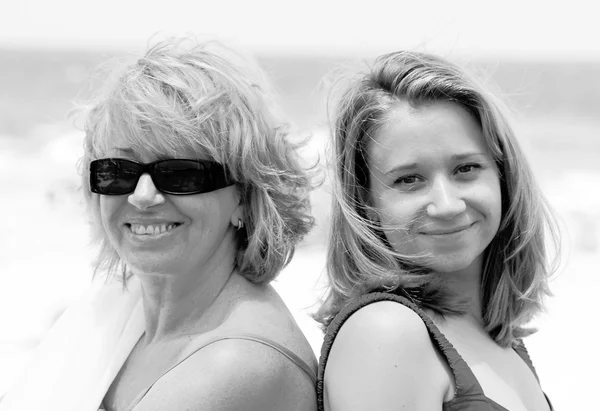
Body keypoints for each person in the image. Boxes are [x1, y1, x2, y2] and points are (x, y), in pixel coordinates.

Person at [1, 38, 318, 411]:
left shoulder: (233, 365)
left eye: (180, 173)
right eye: (118, 172)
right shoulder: (122, 321)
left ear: (246, 197)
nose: (142, 195)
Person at [315, 51, 560, 411]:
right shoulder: (386, 333)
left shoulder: (497, 336)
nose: (447, 205)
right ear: (366, 203)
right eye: (409, 179)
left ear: (503, 177)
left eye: (466, 168)